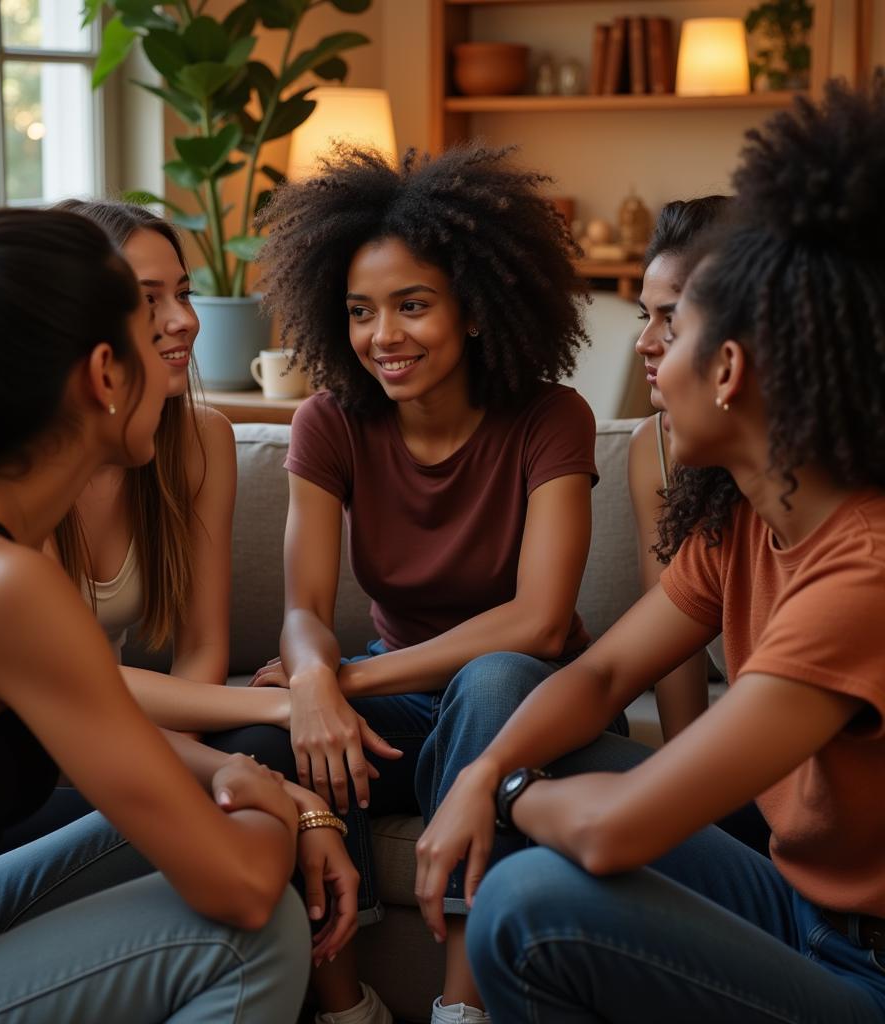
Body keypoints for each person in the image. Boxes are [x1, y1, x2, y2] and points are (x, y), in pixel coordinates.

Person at [417, 79, 885, 1022]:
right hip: (799, 905)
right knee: (540, 736)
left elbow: (614, 832)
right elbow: (598, 680)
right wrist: (478, 770)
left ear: (730, 367)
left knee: (524, 905)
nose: (649, 357)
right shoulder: (746, 521)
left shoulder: (864, 569)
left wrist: (503, 793)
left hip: (868, 973)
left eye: (673, 329)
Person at [0, 208, 313, 1022]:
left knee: (215, 822)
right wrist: (286, 813)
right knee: (254, 926)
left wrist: (243, 778)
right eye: (148, 329)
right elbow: (242, 888)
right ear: (104, 374)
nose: (176, 339)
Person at [235, 143, 627, 1024]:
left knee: (488, 680)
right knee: (269, 742)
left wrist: (345, 681)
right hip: (409, 703)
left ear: (479, 310)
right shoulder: (328, 421)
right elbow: (302, 607)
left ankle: (463, 1007)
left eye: (413, 306)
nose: (384, 336)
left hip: (530, 698)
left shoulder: (550, 417)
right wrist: (308, 683)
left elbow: (537, 621)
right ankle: (347, 1006)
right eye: (361, 311)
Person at [629, 196, 730, 741]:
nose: (644, 341)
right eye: (644, 315)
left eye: (670, 317)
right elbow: (660, 652)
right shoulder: (659, 450)